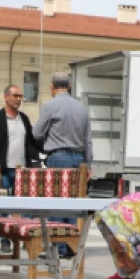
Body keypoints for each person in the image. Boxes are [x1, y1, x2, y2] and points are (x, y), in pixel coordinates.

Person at [32, 72, 93, 259]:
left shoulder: (50, 106)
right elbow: (88, 139)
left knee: (57, 203)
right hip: (79, 159)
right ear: (69, 86)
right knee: (73, 204)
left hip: (58, 157)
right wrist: (89, 165)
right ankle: (72, 246)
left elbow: (36, 133)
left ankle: (58, 248)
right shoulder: (81, 108)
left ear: (52, 86)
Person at [0, 84, 41, 253]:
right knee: (3, 205)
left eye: (20, 96)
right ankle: (5, 239)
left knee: (24, 204)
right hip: (3, 169)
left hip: (21, 169)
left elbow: (31, 142)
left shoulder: (23, 118)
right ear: (6, 97)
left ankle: (24, 235)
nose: (18, 99)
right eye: (15, 96)